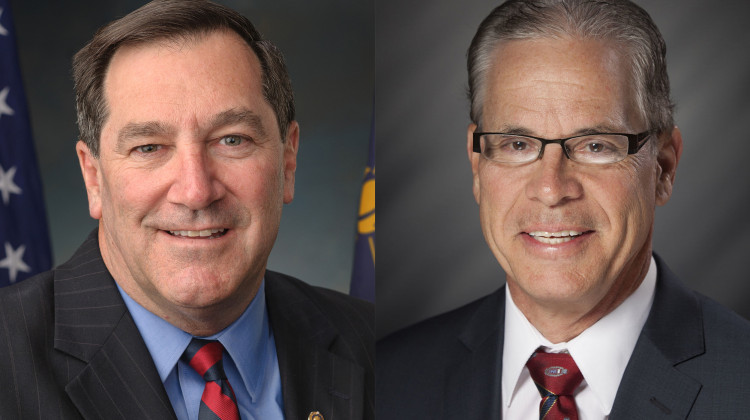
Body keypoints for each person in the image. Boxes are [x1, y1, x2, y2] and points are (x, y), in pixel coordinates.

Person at [0, 1, 373, 419]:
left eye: (232, 140)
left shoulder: (372, 342)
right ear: (94, 177)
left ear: (288, 161)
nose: (196, 192)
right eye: (149, 147)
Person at [377, 0, 750, 418]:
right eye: (517, 145)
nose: (552, 188)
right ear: (477, 164)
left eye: (596, 146)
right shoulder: (387, 380)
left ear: (663, 166)